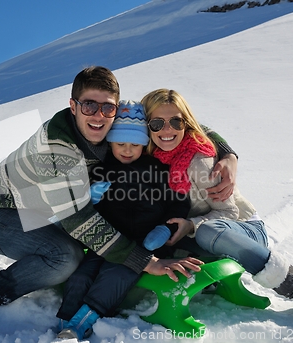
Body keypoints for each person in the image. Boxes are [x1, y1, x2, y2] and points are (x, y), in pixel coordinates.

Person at [0, 66, 235, 328]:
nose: (98, 115)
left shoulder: (113, 125)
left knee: (86, 246)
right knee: (64, 258)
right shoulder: (57, 149)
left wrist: (227, 153)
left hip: (47, 210)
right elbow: (80, 220)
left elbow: (181, 124)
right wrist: (144, 261)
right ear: (73, 106)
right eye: (89, 105)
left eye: (107, 107)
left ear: (116, 108)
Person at [141, 88, 293, 326]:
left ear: (185, 123)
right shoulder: (148, 157)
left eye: (176, 122)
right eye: (157, 123)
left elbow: (228, 212)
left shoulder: (200, 161)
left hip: (239, 230)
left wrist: (191, 224)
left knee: (207, 230)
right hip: (194, 235)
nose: (167, 130)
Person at [55, 100, 202, 340]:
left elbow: (178, 201)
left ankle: (82, 323)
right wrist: (90, 198)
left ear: (144, 145)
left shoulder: (158, 169)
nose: (127, 150)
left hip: (144, 243)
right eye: (120, 143)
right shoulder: (101, 169)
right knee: (82, 274)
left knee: (117, 274)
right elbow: (83, 208)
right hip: (106, 239)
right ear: (110, 142)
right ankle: (65, 321)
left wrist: (164, 229)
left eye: (135, 144)